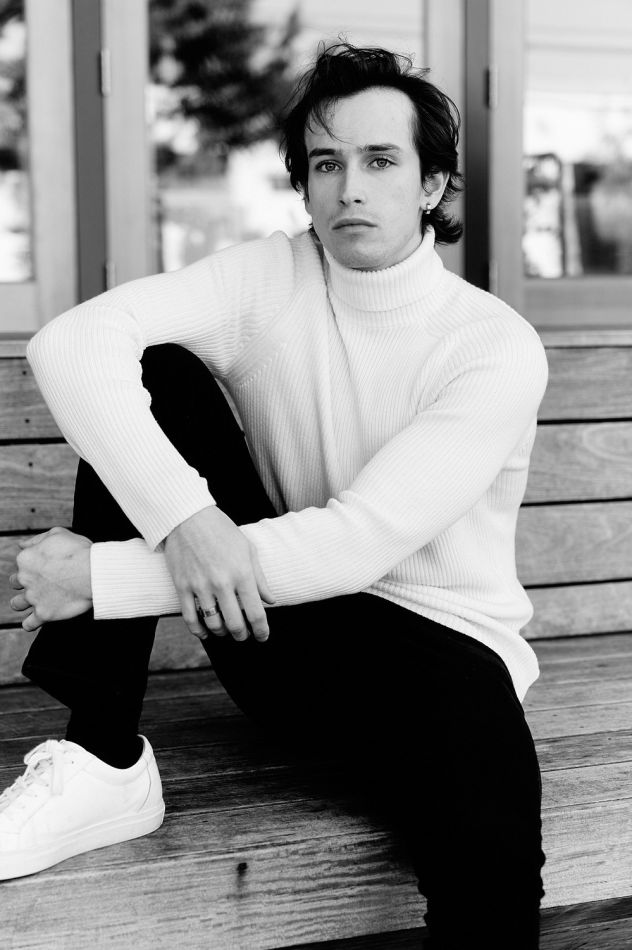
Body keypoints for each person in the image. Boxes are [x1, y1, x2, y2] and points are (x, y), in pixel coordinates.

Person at [2, 43, 548, 948]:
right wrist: (185, 519)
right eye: (325, 164)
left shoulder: (491, 346)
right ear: (303, 185)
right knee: (156, 372)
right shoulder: (271, 278)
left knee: (490, 864)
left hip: (443, 661)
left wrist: (101, 578)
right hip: (273, 633)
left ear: (432, 184)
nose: (349, 189)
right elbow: (70, 344)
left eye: (380, 161)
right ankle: (103, 761)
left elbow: (358, 543)